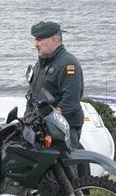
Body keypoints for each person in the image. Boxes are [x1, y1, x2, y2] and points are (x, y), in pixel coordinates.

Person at [28, 21, 87, 176]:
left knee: (64, 173)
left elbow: (70, 102)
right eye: (35, 39)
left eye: (40, 39)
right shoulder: (41, 63)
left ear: (55, 39)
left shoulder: (68, 64)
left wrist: (50, 124)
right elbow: (33, 97)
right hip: (42, 128)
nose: (36, 44)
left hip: (62, 129)